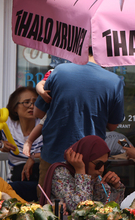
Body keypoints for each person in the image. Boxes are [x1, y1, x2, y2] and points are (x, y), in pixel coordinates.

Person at [34, 46, 125, 190]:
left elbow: (38, 113)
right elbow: (112, 126)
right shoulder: (114, 81)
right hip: (91, 161)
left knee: (50, 207)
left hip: (54, 156)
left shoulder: (60, 71)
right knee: (87, 207)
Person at [41, 135, 125, 212]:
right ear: (85, 159)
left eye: (105, 164)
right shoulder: (60, 172)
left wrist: (116, 187)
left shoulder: (95, 176)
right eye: (98, 164)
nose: (101, 170)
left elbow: (109, 209)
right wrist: (81, 171)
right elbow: (81, 209)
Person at [2, 86, 43, 201]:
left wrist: (33, 157)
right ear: (15, 107)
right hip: (16, 179)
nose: (31, 106)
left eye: (35, 102)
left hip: (41, 179)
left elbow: (55, 152)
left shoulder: (45, 124)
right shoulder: (8, 126)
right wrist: (1, 145)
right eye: (26, 102)